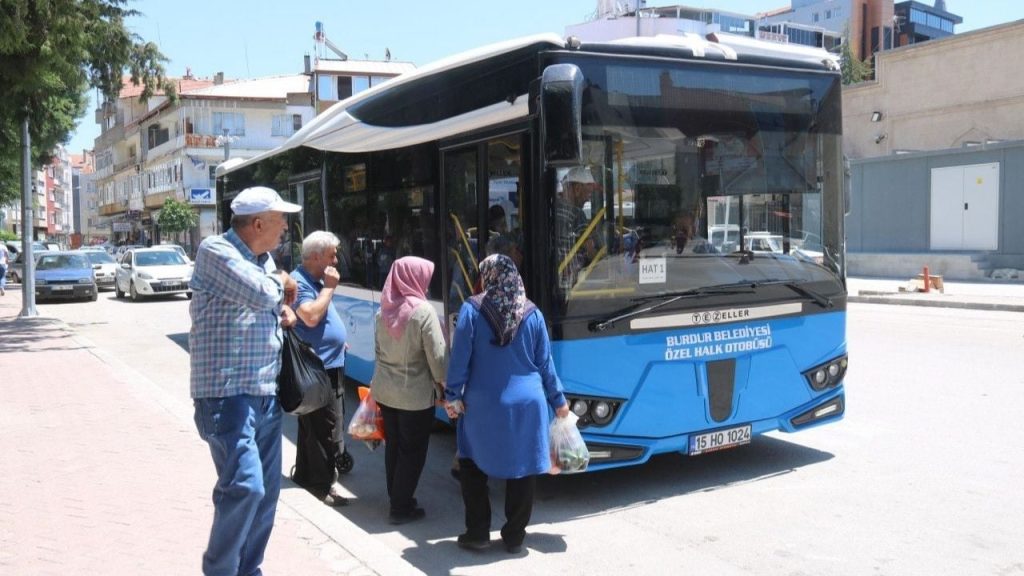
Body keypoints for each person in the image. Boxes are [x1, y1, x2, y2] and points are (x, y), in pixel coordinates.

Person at [189, 185, 301, 576]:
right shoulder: (216, 252)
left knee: (267, 494)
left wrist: (281, 309)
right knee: (246, 487)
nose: (285, 227)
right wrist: (282, 286)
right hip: (227, 397)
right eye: (280, 220)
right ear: (257, 223)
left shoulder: (264, 258)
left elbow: (274, 298)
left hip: (265, 394)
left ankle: (248, 570)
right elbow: (262, 292)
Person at [445, 254, 570, 554]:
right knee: (524, 468)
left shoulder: (471, 310)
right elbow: (545, 365)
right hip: (529, 404)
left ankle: (477, 532)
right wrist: (559, 402)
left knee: (472, 463)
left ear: (488, 276)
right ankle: (514, 536)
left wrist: (452, 395)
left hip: (483, 404)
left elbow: (459, 360)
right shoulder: (533, 313)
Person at [370, 256, 448, 524]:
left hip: (386, 392)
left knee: (394, 447)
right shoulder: (423, 312)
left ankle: (397, 497)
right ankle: (401, 507)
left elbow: (378, 352)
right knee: (412, 452)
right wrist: (444, 384)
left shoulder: (384, 310)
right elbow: (437, 357)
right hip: (414, 396)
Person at [289, 230, 354, 507]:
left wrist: (339, 343)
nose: (335, 260)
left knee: (314, 427)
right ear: (316, 256)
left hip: (329, 361)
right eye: (331, 255)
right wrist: (329, 288)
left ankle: (306, 477)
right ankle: (322, 486)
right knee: (324, 427)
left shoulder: (314, 280)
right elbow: (311, 316)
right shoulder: (301, 281)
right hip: (317, 368)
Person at [555, 166, 600, 290]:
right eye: (589, 193)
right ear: (577, 189)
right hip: (567, 284)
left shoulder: (550, 209)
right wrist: (606, 261)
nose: (589, 198)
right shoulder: (576, 213)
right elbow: (590, 251)